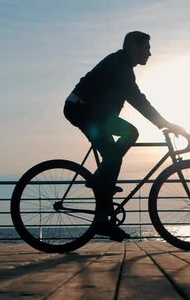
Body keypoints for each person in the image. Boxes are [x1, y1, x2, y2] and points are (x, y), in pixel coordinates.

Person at [64, 31, 183, 241]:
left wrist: (163, 124)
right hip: (82, 110)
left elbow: (136, 98)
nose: (150, 53)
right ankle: (101, 185)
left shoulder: (123, 65)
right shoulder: (119, 65)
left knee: (114, 158)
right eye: (146, 48)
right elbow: (137, 99)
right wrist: (164, 124)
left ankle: (103, 211)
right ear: (132, 46)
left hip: (95, 114)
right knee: (121, 146)